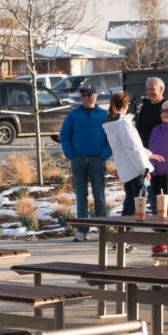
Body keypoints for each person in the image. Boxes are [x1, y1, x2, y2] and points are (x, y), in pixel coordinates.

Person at [58, 84, 111, 239]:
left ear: (96, 96)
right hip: (78, 160)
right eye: (83, 95)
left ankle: (102, 229)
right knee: (81, 196)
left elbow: (111, 138)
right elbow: (64, 135)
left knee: (99, 196)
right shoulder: (73, 115)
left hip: (97, 160)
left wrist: (104, 155)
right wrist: (71, 155)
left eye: (89, 95)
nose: (86, 98)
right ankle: (82, 230)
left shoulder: (104, 115)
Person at [103, 90, 153, 217]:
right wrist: (145, 169)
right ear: (126, 105)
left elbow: (128, 147)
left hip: (126, 170)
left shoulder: (112, 123)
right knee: (135, 206)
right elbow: (133, 148)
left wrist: (148, 154)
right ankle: (126, 234)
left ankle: (124, 233)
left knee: (130, 204)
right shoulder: (123, 123)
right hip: (135, 169)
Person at [147, 100, 168, 215]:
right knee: (155, 210)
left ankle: (165, 232)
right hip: (153, 176)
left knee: (165, 211)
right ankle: (158, 231)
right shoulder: (155, 129)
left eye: (167, 110)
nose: (164, 113)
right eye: (162, 111)